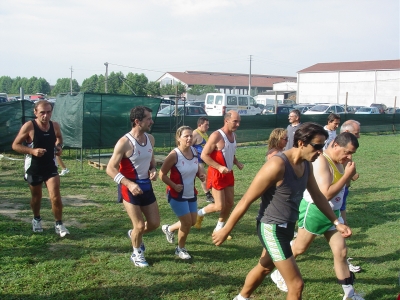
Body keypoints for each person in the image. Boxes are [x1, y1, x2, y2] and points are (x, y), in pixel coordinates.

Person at [212, 122, 353, 300]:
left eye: (322, 146)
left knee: (264, 267)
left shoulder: (307, 164)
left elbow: (318, 196)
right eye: (317, 146)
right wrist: (226, 229)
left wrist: (336, 222)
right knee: (296, 285)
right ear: (301, 143)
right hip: (271, 228)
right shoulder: (277, 165)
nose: (320, 152)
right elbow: (247, 199)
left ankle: (241, 298)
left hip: (287, 228)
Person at [270, 132, 364, 300]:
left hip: (332, 214)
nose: (348, 156)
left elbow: (344, 187)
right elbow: (325, 194)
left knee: (341, 252)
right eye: (347, 152)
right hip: (314, 211)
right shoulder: (322, 161)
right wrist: (347, 176)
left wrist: (349, 176)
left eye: (352, 154)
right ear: (335, 145)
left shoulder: (339, 161)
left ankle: (349, 294)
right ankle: (278, 273)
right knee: (299, 248)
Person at [106, 106, 159, 268]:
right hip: (129, 189)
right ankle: (136, 253)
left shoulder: (150, 139)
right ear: (137, 121)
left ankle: (134, 235)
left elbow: (152, 160)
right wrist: (128, 183)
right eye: (148, 118)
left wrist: (153, 170)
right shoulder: (124, 142)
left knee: (154, 223)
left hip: (146, 187)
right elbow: (110, 168)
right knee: (139, 225)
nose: (152, 121)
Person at [12, 100, 70, 237]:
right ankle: (36, 219)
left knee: (55, 197)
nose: (45, 115)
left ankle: (59, 224)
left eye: (48, 112)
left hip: (50, 166)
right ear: (35, 113)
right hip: (34, 167)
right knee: (37, 197)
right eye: (42, 112)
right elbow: (15, 145)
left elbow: (59, 139)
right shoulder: (29, 126)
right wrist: (32, 151)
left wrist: (59, 147)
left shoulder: (54, 125)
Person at [159, 126, 206, 259]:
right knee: (186, 223)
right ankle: (180, 249)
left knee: (191, 222)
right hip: (176, 195)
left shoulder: (193, 151)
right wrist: (174, 185)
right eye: (186, 136)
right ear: (178, 138)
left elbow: (195, 166)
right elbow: (161, 174)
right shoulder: (174, 155)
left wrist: (200, 174)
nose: (190, 138)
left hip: (191, 192)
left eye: (191, 135)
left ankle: (169, 229)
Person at [194, 111, 244, 233]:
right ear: (226, 121)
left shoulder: (233, 136)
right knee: (219, 206)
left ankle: (218, 229)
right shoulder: (216, 135)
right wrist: (219, 167)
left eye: (239, 122)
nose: (238, 124)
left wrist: (236, 162)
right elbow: (205, 155)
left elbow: (230, 152)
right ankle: (199, 213)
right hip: (216, 174)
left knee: (230, 203)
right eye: (235, 121)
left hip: (229, 174)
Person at [339, 120, 362, 273]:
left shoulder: (347, 151)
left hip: (342, 194)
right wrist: (350, 175)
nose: (358, 136)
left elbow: (349, 174)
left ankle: (344, 263)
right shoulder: (339, 150)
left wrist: (351, 176)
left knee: (343, 228)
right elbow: (347, 174)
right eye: (356, 133)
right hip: (333, 197)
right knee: (301, 245)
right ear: (347, 133)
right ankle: (280, 268)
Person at [192, 117, 214, 203]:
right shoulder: (195, 134)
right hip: (196, 160)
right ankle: (208, 195)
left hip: (204, 159)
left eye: (208, 125)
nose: (208, 127)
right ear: (199, 125)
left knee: (207, 176)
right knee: (204, 177)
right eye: (206, 125)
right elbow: (188, 146)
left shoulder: (204, 133)